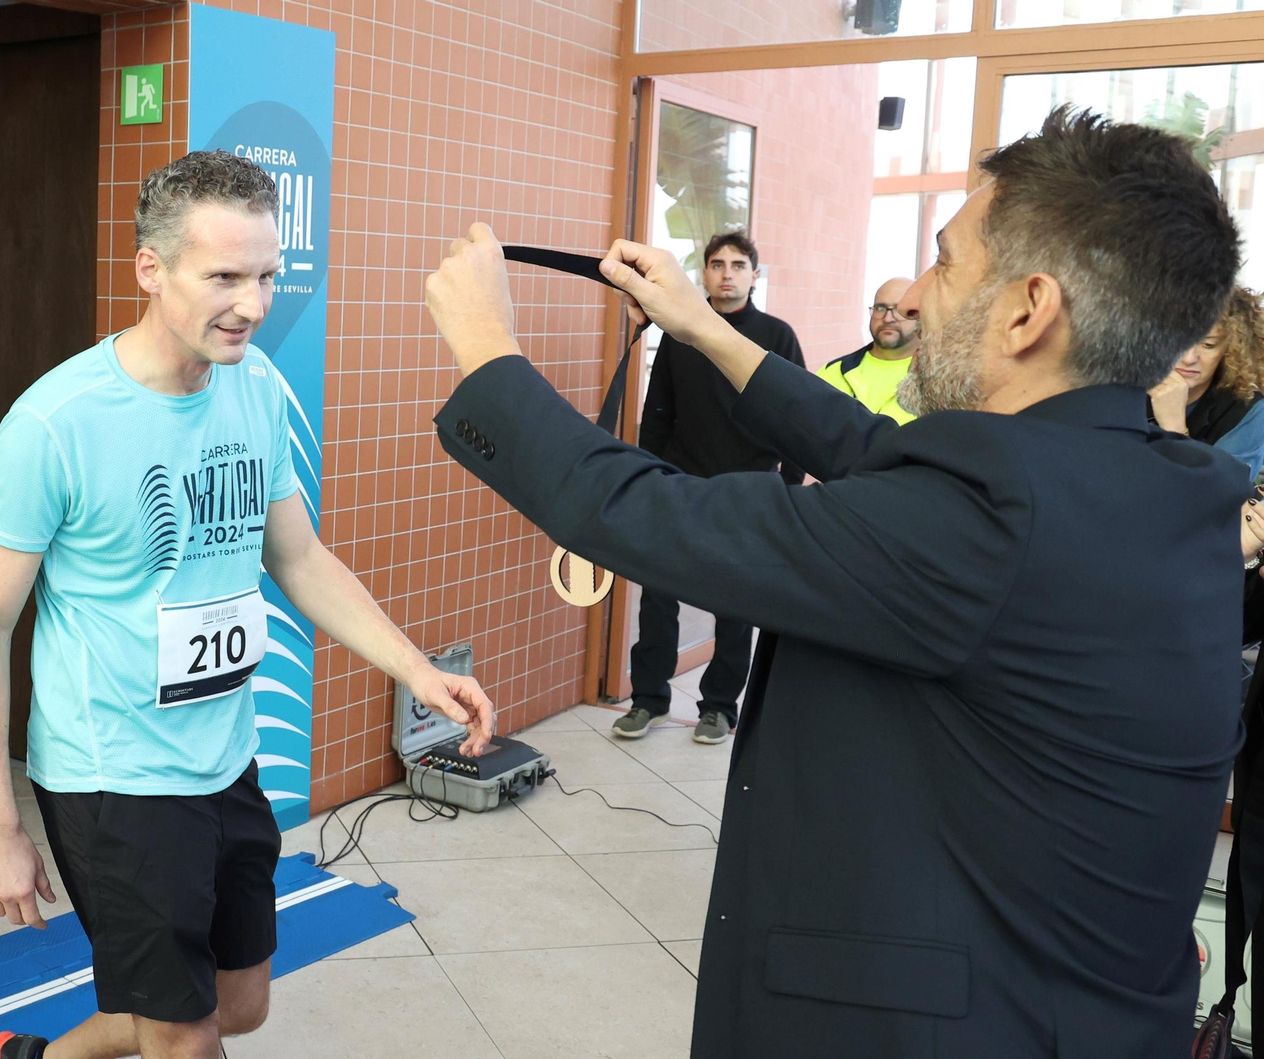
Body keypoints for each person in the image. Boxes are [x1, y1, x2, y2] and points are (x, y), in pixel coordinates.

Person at [423, 108, 1244, 1056]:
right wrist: (703, 328)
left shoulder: (988, 526)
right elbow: (871, 448)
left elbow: (652, 515)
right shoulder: (1149, 482)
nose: (922, 298)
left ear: (1028, 309)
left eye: (945, 263)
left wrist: (489, 354)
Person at [0, 150, 494, 1059]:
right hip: (111, 774)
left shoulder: (254, 386)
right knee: (188, 1035)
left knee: (238, 1006)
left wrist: (416, 669)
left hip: (223, 755)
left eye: (267, 275)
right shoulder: (55, 422)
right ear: (150, 269)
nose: (251, 303)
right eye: (224, 277)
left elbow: (298, 554)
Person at [616, 230, 805, 746]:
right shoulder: (681, 334)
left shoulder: (777, 335)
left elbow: (796, 417)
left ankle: (719, 708)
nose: (727, 273)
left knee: (735, 604)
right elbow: (657, 414)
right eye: (717, 264)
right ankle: (647, 700)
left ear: (754, 275)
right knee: (658, 597)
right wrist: (644, 478)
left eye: (738, 265)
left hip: (748, 492)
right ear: (703, 274)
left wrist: (785, 490)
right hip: (677, 485)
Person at [1148, 285, 1264, 477]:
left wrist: (1175, 428)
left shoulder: (1247, 410)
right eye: (1180, 340)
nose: (1189, 358)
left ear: (1231, 349)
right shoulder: (1123, 383)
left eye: (1208, 345)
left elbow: (1219, 499)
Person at [817, 277, 919, 423]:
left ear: (920, 315)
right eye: (880, 308)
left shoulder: (938, 377)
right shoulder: (834, 372)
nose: (888, 318)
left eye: (898, 310)